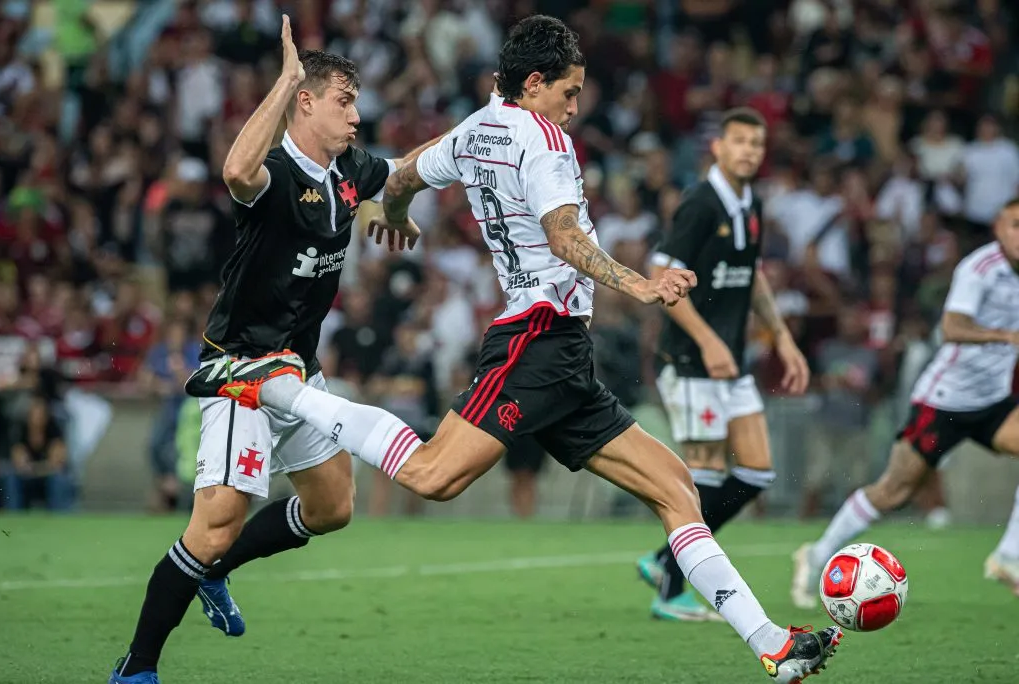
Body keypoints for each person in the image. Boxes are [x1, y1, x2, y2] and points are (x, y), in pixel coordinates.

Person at [190, 17, 841, 682]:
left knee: (678, 491)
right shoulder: (546, 139)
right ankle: (281, 389)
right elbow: (563, 236)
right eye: (570, 90)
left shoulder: (477, 128)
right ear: (535, 83)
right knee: (431, 475)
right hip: (536, 334)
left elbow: (412, 170)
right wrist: (639, 284)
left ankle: (772, 646)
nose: (575, 105)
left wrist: (391, 210)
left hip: (565, 357)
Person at [108, 16, 434, 683]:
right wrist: (283, 76)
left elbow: (403, 170)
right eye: (344, 101)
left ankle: (215, 575)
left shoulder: (350, 171)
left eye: (358, 103)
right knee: (215, 526)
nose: (357, 115)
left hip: (299, 370)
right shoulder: (276, 171)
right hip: (242, 369)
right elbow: (235, 170)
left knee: (332, 508)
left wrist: (466, 148)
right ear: (305, 102)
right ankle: (137, 667)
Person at [791, 197, 1019, 609]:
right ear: (999, 229)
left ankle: (1010, 556)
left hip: (994, 400)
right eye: (1015, 225)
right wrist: (1005, 337)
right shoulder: (979, 269)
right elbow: (952, 327)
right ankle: (817, 553)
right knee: (893, 491)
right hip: (943, 400)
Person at [633, 108, 811, 622]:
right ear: (718, 147)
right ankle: (669, 591)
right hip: (691, 360)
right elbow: (661, 275)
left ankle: (665, 559)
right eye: (739, 142)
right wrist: (709, 342)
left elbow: (751, 275)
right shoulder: (700, 203)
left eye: (757, 143)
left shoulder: (750, 202)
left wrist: (783, 338)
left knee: (756, 471)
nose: (749, 151)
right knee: (704, 474)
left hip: (730, 362)